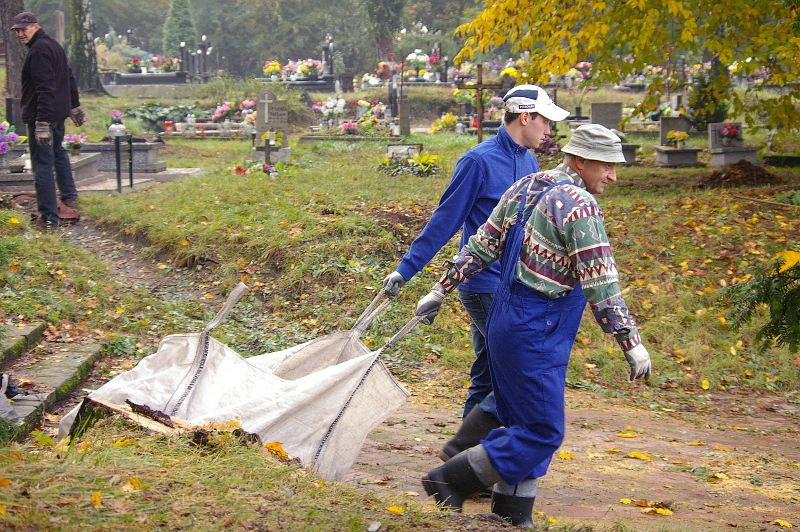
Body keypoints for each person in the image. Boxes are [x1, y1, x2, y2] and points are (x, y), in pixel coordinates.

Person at [414, 124, 652, 526]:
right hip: (538, 329)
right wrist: (630, 340)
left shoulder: (527, 185)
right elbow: (600, 281)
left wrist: (440, 289)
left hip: (504, 322)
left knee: (518, 422)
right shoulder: (580, 206)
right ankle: (451, 478)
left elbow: (482, 244)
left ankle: (512, 515)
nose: (613, 176)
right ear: (580, 160)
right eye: (607, 166)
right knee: (542, 431)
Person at [382, 85, 569, 447]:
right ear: (525, 117)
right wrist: (406, 270)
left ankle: (462, 456)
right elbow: (445, 220)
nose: (548, 130)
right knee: (518, 368)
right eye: (545, 121)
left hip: (513, 285)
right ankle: (484, 454)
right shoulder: (478, 161)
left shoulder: (530, 163)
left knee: (487, 372)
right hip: (482, 284)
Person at [13, 11, 85, 229]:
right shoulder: (53, 45)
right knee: (59, 154)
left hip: (43, 116)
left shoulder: (39, 50)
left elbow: (45, 87)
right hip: (57, 113)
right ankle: (69, 198)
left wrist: (42, 122)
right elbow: (68, 76)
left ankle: (49, 218)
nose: (20, 34)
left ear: (35, 26)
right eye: (17, 30)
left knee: (42, 165)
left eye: (24, 29)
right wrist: (74, 104)